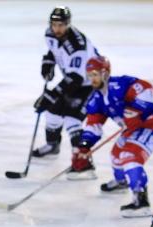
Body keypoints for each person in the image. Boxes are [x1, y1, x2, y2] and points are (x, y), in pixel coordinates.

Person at [71, 56, 153, 217]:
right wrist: (84, 146)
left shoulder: (120, 84)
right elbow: (93, 124)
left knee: (129, 156)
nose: (92, 79)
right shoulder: (96, 98)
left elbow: (146, 88)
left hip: (150, 127)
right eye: (89, 75)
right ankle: (122, 182)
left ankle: (141, 201)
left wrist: (136, 109)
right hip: (131, 130)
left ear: (105, 73)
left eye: (95, 74)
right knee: (116, 155)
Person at [33, 6, 100, 168]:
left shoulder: (77, 46)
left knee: (72, 119)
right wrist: (48, 63)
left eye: (61, 25)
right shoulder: (50, 33)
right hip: (73, 80)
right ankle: (53, 145)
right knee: (52, 112)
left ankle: (83, 161)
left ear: (68, 24)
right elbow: (54, 51)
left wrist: (51, 95)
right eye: (54, 24)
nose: (57, 29)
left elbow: (76, 78)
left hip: (89, 84)